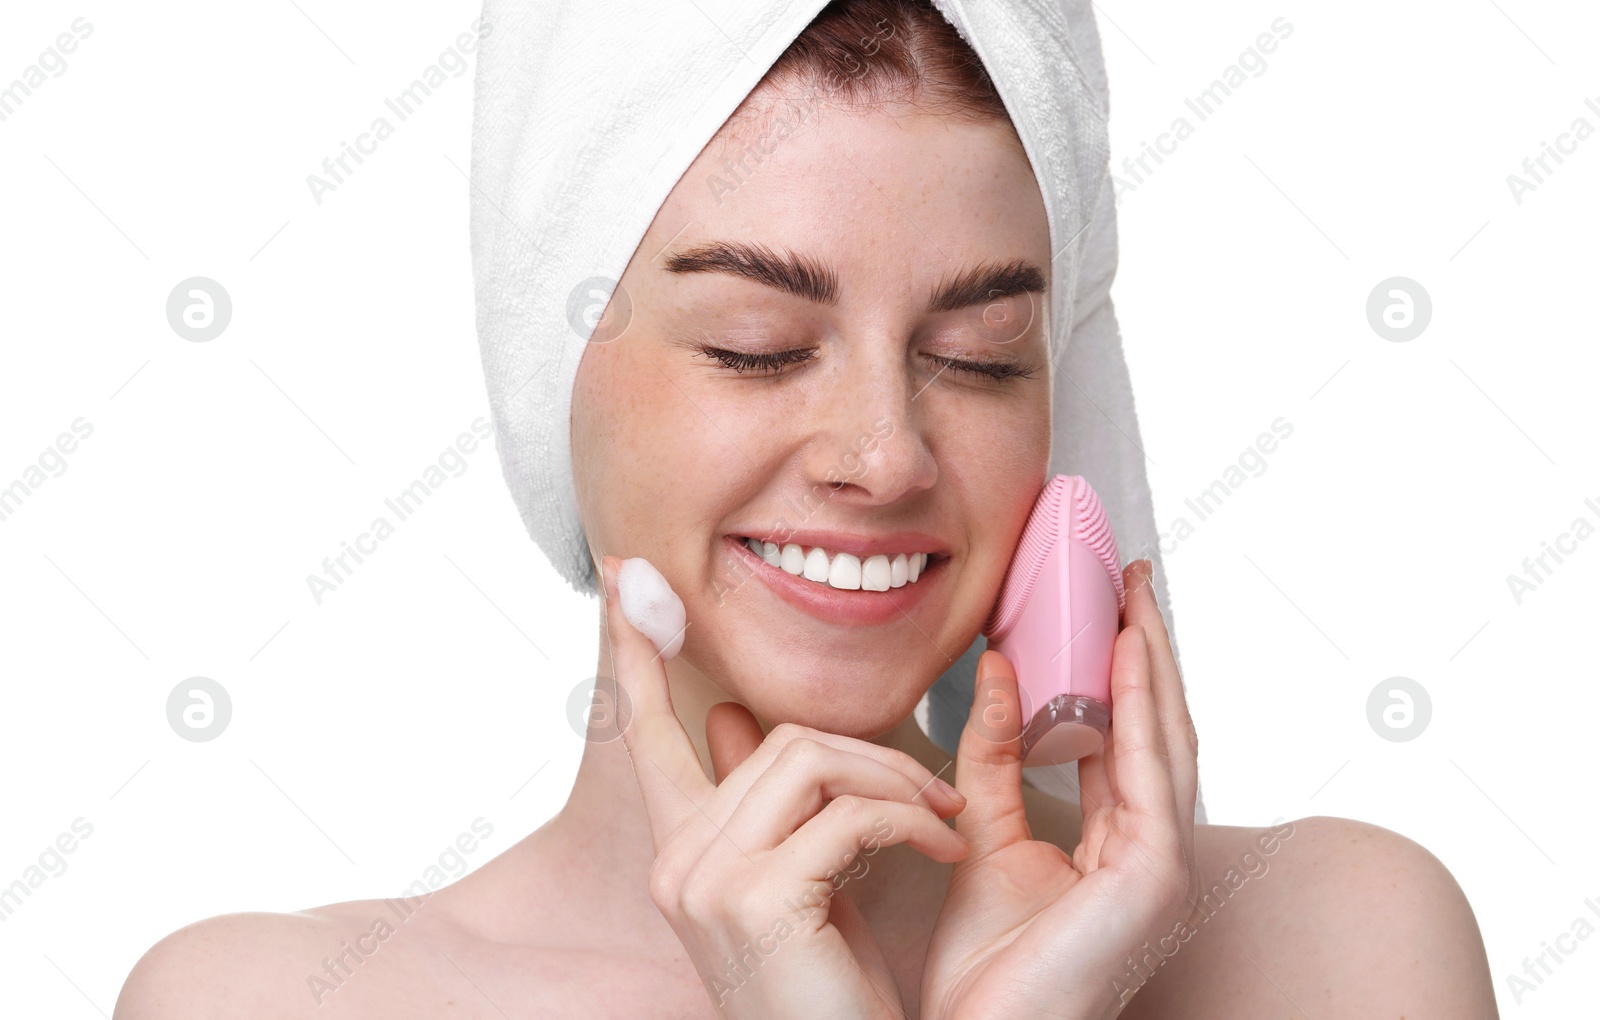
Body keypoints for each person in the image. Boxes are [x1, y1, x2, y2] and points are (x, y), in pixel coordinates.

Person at [114, 1, 1498, 1016]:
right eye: (757, 343)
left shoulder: (1347, 953)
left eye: (977, 357)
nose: (885, 455)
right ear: (553, 363)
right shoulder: (268, 1002)